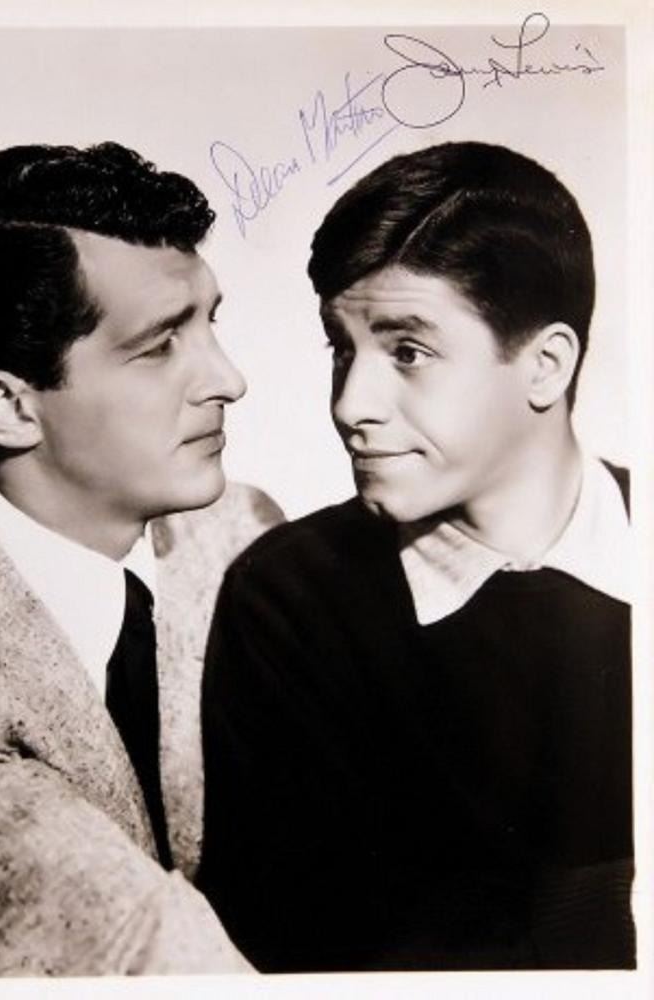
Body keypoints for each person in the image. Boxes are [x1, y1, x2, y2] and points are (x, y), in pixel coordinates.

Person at [198, 141, 634, 972]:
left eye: (408, 351)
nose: (351, 405)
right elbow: (301, 954)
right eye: (341, 349)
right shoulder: (288, 598)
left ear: (545, 366)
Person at [0, 142, 283, 977]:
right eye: (159, 345)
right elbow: (124, 947)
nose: (230, 379)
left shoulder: (245, 535)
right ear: (8, 407)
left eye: (210, 323)